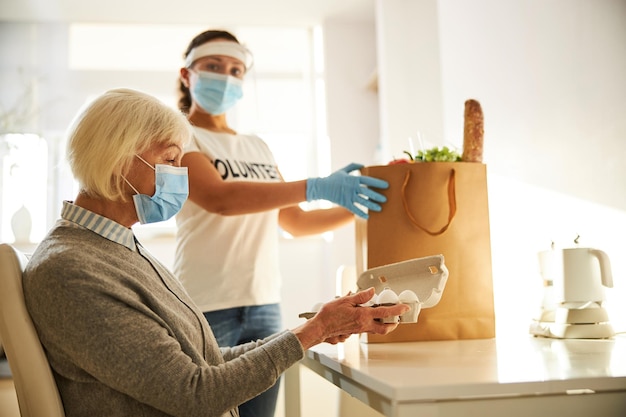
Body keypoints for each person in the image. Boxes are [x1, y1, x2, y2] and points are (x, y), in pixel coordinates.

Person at [22, 88, 408, 417]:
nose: (180, 174)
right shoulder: (73, 269)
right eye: (171, 159)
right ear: (119, 159)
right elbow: (195, 392)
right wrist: (315, 330)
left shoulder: (115, 247)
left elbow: (202, 361)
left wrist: (317, 329)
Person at [174, 30, 389, 417]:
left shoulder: (257, 147)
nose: (226, 76)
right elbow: (221, 199)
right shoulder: (180, 136)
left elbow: (295, 222)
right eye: (213, 66)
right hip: (206, 303)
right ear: (187, 75)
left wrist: (358, 205)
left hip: (264, 304)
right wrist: (315, 185)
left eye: (236, 69)